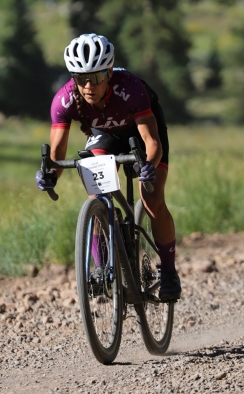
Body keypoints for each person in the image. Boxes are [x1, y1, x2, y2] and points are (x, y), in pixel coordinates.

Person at [35, 33, 181, 302]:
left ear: (110, 73)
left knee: (151, 199)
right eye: (80, 78)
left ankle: (169, 271)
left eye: (97, 77)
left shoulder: (131, 88)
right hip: (106, 134)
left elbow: (152, 142)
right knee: (97, 195)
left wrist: (148, 165)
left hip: (142, 132)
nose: (88, 85)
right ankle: (102, 267)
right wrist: (48, 175)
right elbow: (56, 156)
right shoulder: (64, 100)